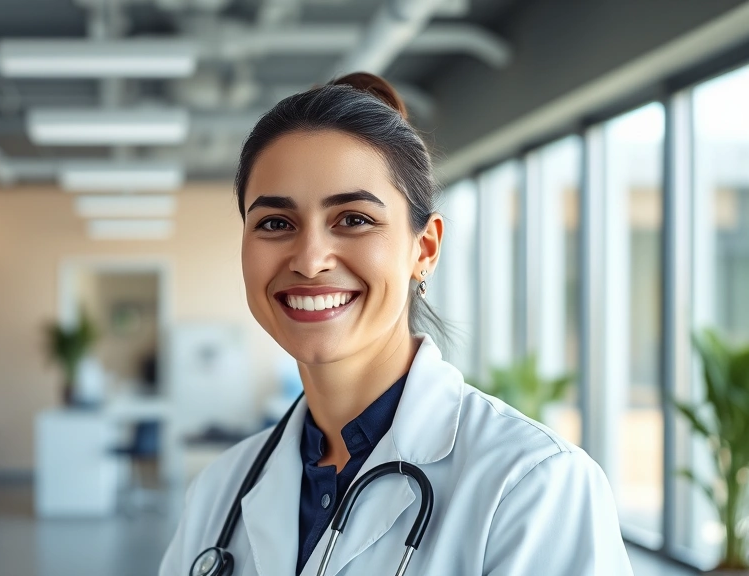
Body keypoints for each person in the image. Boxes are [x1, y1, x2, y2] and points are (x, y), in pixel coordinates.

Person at [160, 72, 633, 575]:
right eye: (276, 223)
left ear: (424, 248)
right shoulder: (222, 490)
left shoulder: (533, 485)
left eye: (354, 219)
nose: (310, 258)